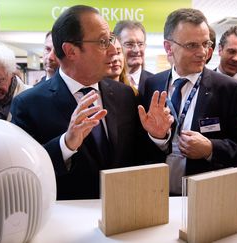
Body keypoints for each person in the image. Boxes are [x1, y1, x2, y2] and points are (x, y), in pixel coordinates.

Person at [10, 5, 167, 200]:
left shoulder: (124, 95)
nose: (113, 51)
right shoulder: (29, 105)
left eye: (109, 39)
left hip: (124, 211)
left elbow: (139, 156)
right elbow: (23, 171)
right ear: (71, 51)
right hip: (68, 219)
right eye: (103, 42)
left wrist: (157, 136)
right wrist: (66, 144)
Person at [139, 8, 237, 195]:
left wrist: (210, 149)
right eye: (192, 45)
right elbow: (137, 144)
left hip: (206, 195)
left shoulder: (229, 89)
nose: (202, 53)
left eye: (205, 44)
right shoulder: (152, 84)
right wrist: (157, 138)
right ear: (168, 47)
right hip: (155, 192)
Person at [113, 20, 153, 94]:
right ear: (117, 46)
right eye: (129, 44)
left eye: (140, 44)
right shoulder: (105, 83)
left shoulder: (156, 83)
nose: (136, 50)